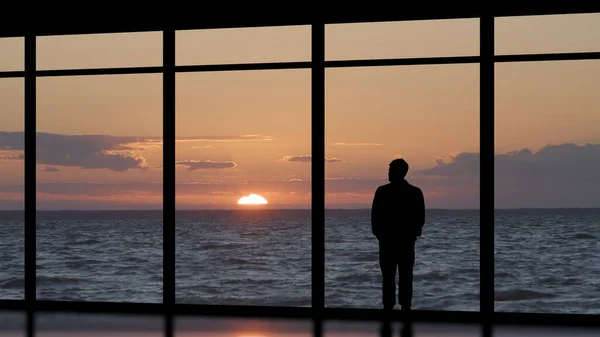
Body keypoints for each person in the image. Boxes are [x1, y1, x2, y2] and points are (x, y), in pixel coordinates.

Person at [371, 158, 425, 311]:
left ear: (400, 172)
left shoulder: (384, 192)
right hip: (398, 241)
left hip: (396, 241)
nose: (388, 173)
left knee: (396, 276)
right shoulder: (413, 192)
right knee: (400, 276)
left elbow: (419, 218)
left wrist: (381, 234)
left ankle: (397, 306)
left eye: (391, 170)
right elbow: (375, 217)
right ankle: (399, 306)